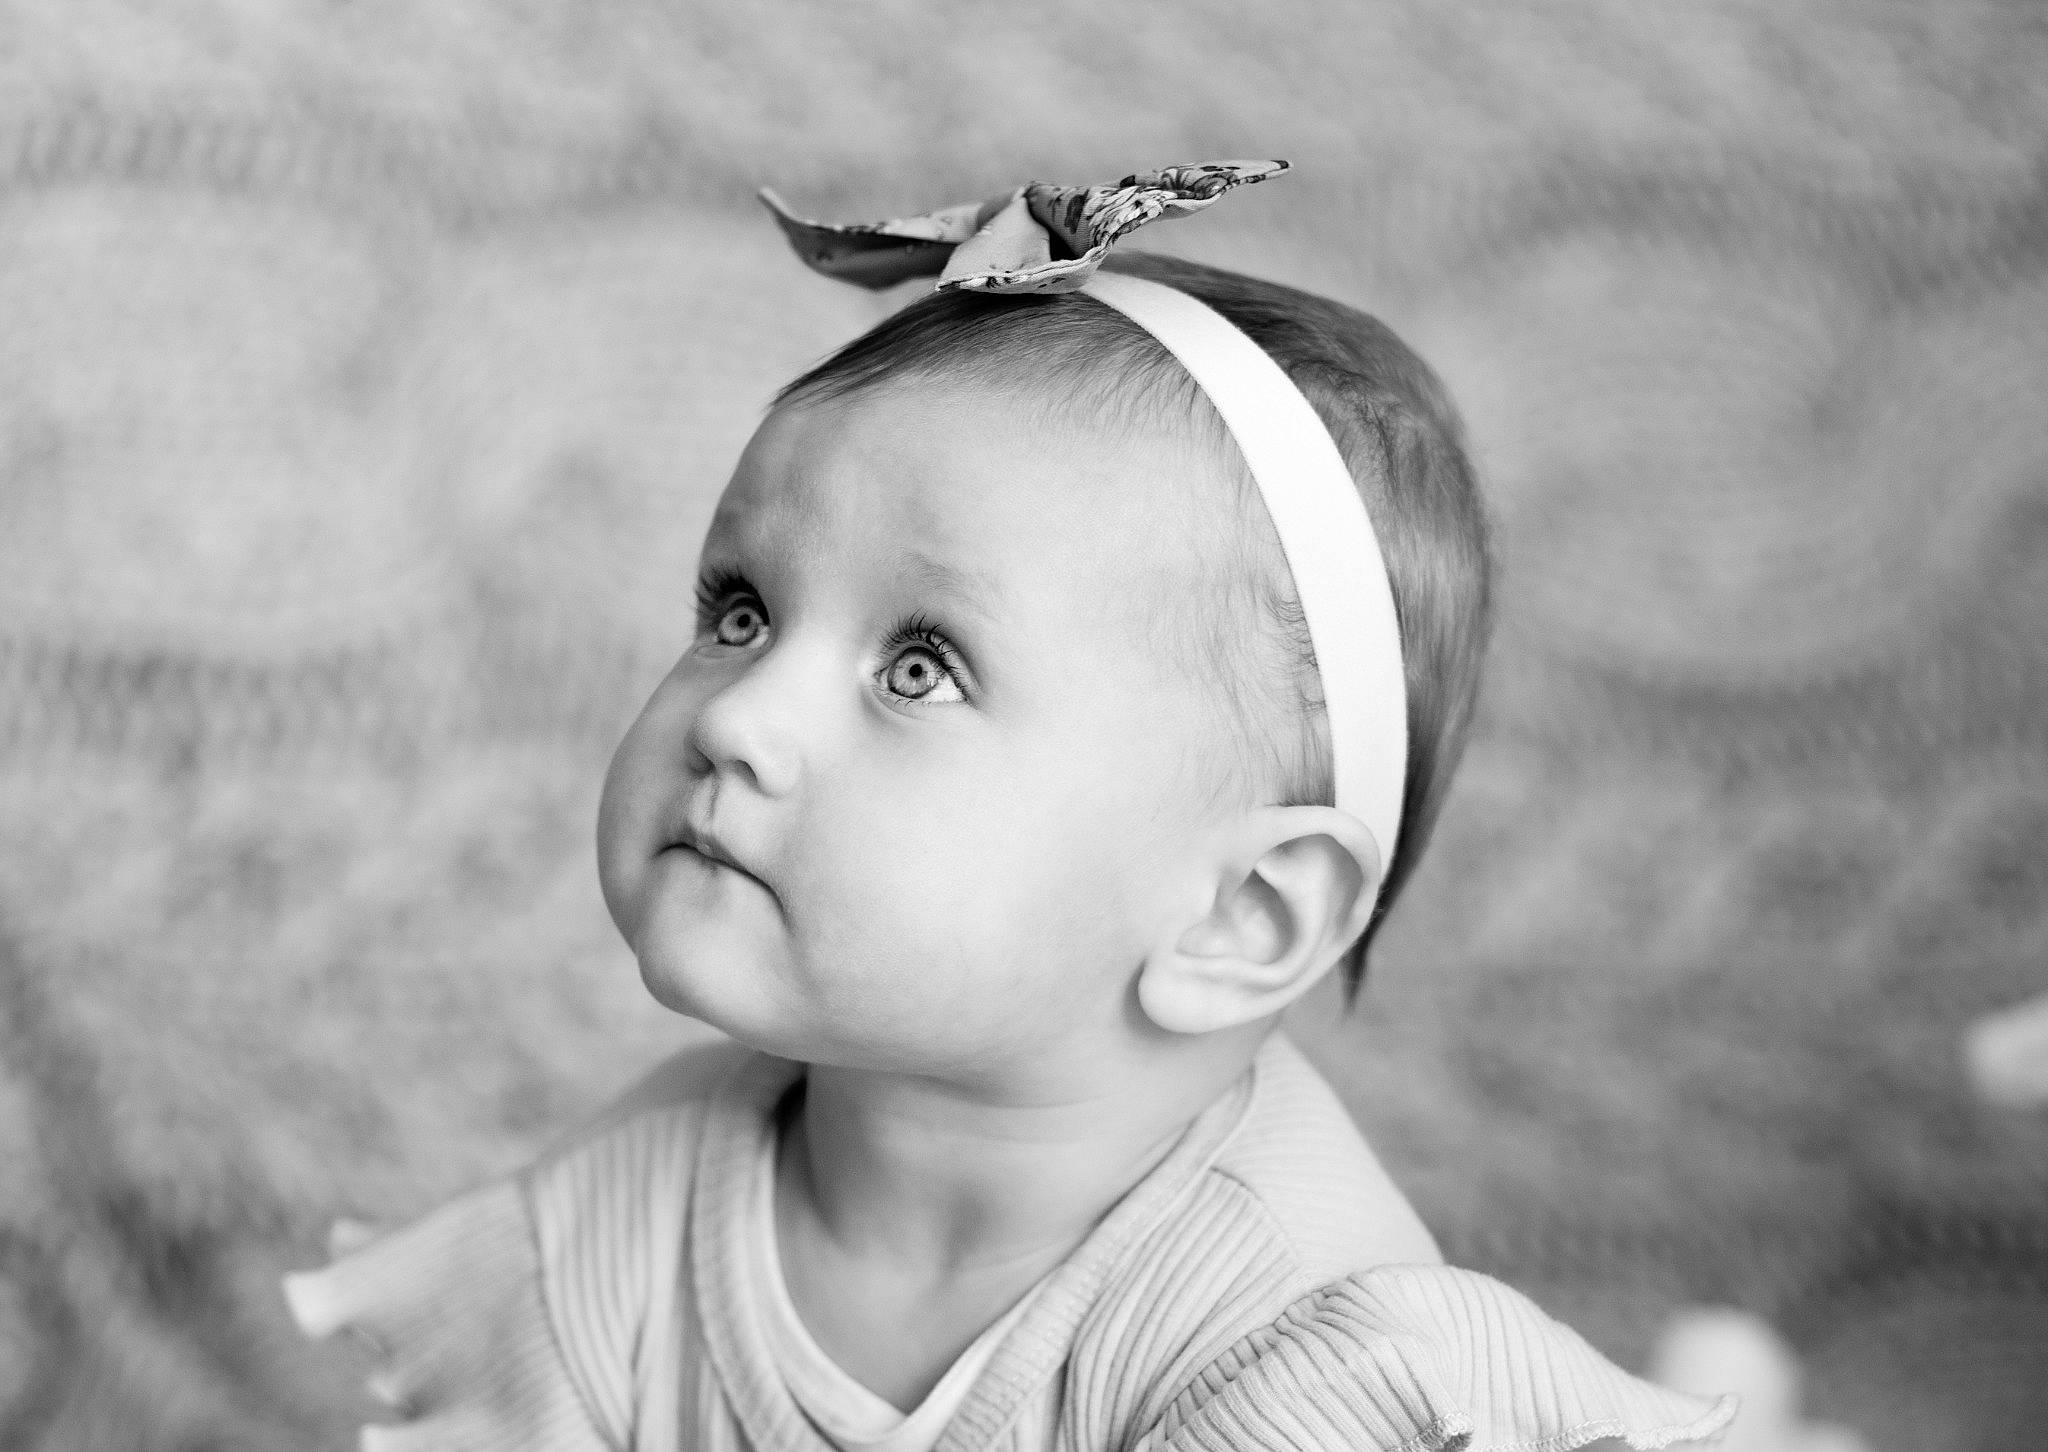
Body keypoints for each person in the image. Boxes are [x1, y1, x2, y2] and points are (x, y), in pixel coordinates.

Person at [283, 162, 1739, 1452]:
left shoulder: (1299, 1349)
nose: (736, 715)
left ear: (1240, 915)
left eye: (920, 667)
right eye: (739, 611)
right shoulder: (616, 1231)